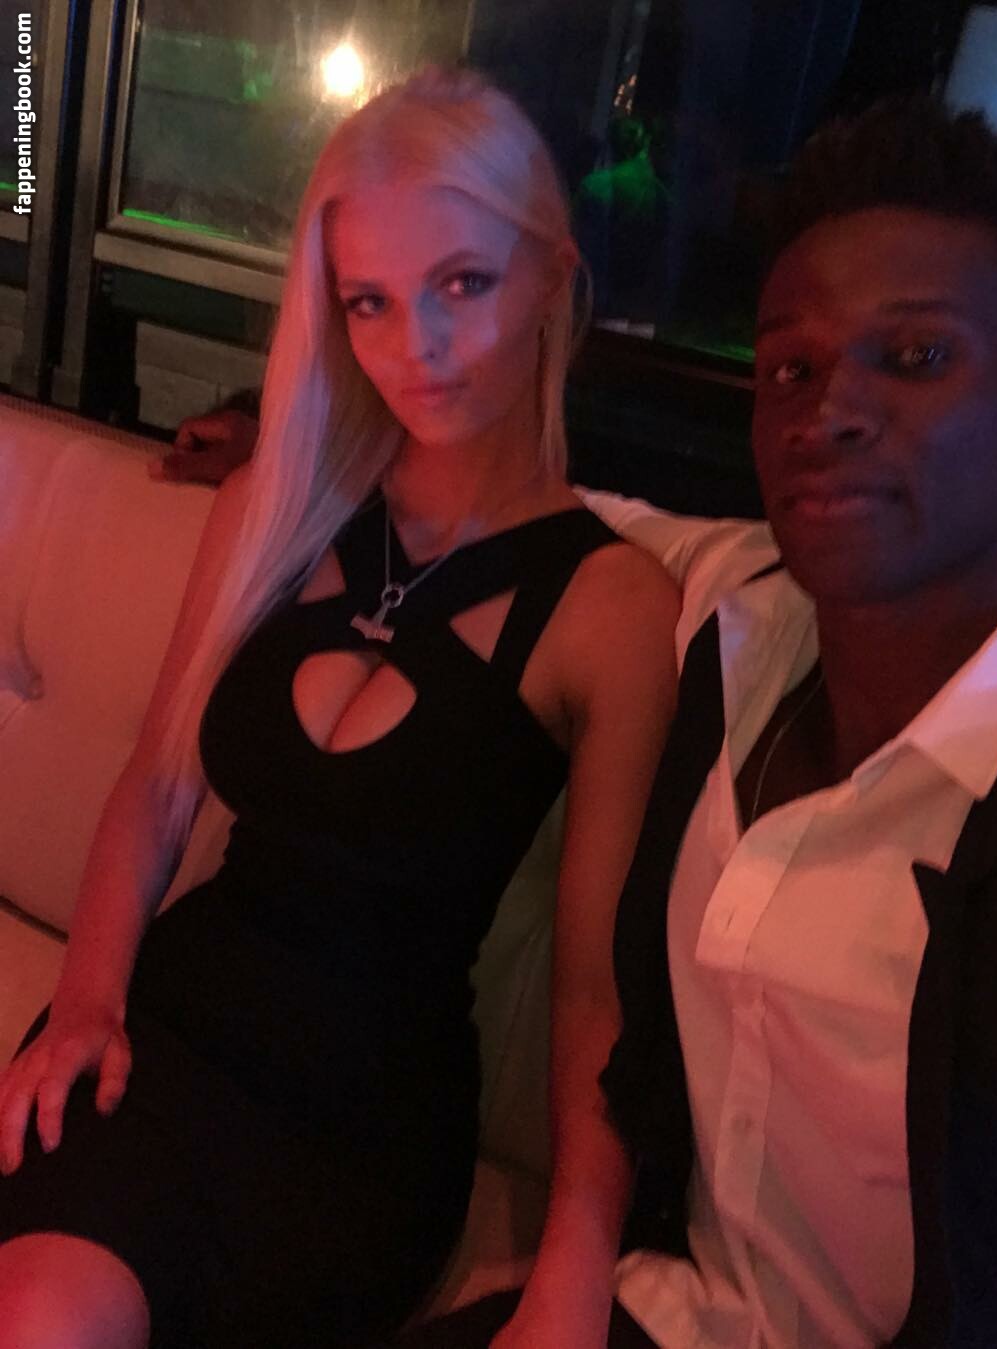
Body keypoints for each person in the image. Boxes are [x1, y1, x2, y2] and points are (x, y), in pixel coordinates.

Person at [0, 67, 680, 1349]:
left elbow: (596, 986)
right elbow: (157, 785)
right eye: (369, 301)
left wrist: (573, 1264)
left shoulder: (613, 605)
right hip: (163, 1028)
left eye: (461, 284)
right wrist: (87, 997)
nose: (415, 344)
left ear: (552, 277)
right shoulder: (278, 505)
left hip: (361, 1124)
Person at [387, 94, 997, 1347]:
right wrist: (316, 452)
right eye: (791, 370)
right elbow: (560, 512)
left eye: (916, 356)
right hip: (664, 1308)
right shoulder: (742, 619)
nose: (830, 409)